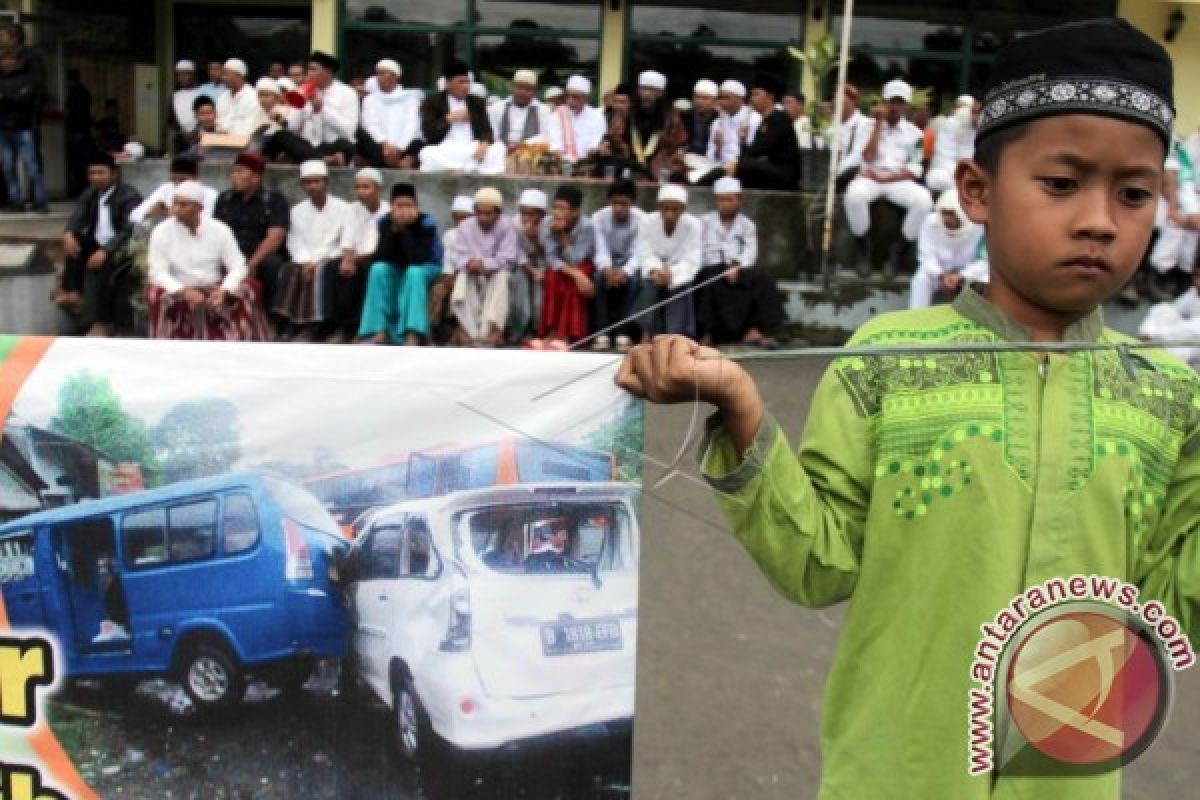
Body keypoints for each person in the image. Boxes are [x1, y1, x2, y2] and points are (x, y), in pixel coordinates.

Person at [616, 18, 1200, 800]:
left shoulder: (1169, 394)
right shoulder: (888, 356)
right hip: (895, 774)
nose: (1100, 218)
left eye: (1132, 194)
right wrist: (741, 408)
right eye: (1061, 183)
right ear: (976, 191)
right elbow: (817, 563)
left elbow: (1171, 606)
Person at [145, 180, 268, 341]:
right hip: (179, 289)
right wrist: (183, 291)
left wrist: (225, 290)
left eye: (184, 205)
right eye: (175, 204)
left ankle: (240, 338)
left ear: (199, 208)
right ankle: (168, 340)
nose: (177, 209)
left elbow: (238, 266)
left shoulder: (219, 229)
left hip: (214, 288)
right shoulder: (161, 231)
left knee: (249, 287)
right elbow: (157, 271)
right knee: (155, 292)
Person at [843, 78, 933, 276]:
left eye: (900, 102)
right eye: (892, 101)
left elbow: (915, 169)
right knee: (854, 195)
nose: (895, 106)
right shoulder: (865, 126)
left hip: (897, 180)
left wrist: (887, 179)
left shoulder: (915, 134)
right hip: (870, 177)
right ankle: (863, 250)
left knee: (924, 200)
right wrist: (877, 125)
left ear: (906, 106)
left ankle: (897, 253)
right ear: (884, 102)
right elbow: (866, 156)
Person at [56, 152, 142, 334]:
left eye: (101, 172)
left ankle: (103, 321)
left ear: (114, 174)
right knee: (75, 242)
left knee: (108, 269)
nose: (95, 177)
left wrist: (106, 250)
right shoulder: (91, 194)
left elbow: (129, 230)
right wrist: (68, 233)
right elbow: (77, 216)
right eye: (92, 173)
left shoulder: (129, 195)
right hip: (98, 243)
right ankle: (73, 291)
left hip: (122, 247)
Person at [695, 176, 783, 347]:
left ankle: (756, 330)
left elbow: (750, 252)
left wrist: (736, 268)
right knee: (708, 279)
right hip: (712, 266)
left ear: (740, 200)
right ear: (715, 201)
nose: (726, 204)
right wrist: (722, 268)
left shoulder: (747, 225)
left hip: (739, 268)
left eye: (730, 199)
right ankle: (708, 333)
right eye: (721, 200)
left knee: (763, 279)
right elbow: (698, 251)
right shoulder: (703, 222)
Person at [273, 160, 352, 340]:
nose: (313, 186)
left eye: (317, 181)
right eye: (308, 182)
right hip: (304, 258)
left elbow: (345, 241)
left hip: (331, 257)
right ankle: (290, 323)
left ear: (326, 183)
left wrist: (317, 261)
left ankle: (313, 325)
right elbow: (294, 241)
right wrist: (305, 260)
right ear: (302, 185)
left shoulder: (345, 209)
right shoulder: (297, 211)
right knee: (289, 270)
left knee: (320, 272)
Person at [358, 182, 443, 345]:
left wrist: (405, 230)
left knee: (414, 272)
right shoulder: (385, 222)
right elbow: (382, 255)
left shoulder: (427, 223)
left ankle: (413, 332)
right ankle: (379, 330)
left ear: (416, 206)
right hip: (397, 266)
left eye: (408, 205)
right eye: (399, 205)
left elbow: (418, 258)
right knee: (377, 269)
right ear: (392, 206)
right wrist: (395, 228)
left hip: (427, 267)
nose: (403, 209)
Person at [213, 152, 289, 325]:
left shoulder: (274, 200)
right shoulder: (224, 199)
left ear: (255, 177)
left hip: (258, 256)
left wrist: (251, 264)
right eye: (233, 172)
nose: (234, 176)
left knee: (273, 264)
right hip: (230, 253)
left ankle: (271, 320)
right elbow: (216, 232)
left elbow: (275, 238)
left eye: (240, 172)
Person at [320, 167, 388, 343]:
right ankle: (337, 325)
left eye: (366, 187)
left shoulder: (387, 212)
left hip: (377, 258)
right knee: (333, 268)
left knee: (367, 270)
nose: (360, 192)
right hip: (354, 257)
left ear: (378, 189)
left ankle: (360, 326)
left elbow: (380, 248)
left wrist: (353, 260)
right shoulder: (352, 209)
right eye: (358, 187)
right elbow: (347, 238)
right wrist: (347, 259)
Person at [629, 183, 701, 340]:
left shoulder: (693, 225)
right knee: (649, 284)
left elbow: (693, 259)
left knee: (681, 286)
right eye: (665, 209)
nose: (669, 214)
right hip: (655, 270)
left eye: (675, 209)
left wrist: (672, 275)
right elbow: (644, 251)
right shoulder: (647, 221)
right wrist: (656, 270)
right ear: (659, 207)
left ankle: (674, 336)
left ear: (683, 209)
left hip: (679, 272)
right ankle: (646, 333)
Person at [263, 51, 358, 166]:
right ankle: (323, 160)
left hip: (334, 145)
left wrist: (321, 110)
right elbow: (293, 127)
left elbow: (349, 131)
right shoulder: (303, 90)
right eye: (308, 69)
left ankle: (316, 159)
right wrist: (282, 120)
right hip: (310, 146)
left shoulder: (348, 93)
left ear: (328, 71)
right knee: (280, 136)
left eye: (313, 69)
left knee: (346, 145)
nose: (309, 73)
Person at [451, 187, 517, 347]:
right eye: (479, 213)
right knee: (462, 277)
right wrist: (469, 263)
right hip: (472, 270)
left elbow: (508, 258)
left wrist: (485, 264)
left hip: (496, 271)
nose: (483, 217)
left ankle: (494, 330)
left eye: (488, 214)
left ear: (498, 213)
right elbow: (458, 256)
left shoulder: (507, 226)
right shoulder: (465, 226)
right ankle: (467, 330)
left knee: (502, 277)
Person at [417, 60, 504, 174]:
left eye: (467, 82)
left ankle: (464, 166)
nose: (466, 86)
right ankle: (471, 166)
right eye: (461, 82)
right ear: (448, 83)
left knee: (499, 148)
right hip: (446, 148)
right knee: (427, 153)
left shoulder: (476, 102)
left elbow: (486, 130)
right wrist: (449, 118)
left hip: (472, 147)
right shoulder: (432, 102)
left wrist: (484, 144)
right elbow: (428, 132)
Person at [908, 189, 988, 309]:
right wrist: (941, 275)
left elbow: (984, 260)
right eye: (945, 213)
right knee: (921, 278)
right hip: (939, 272)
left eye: (952, 213)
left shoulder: (980, 226)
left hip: (969, 273)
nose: (948, 219)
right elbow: (926, 256)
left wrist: (962, 276)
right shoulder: (930, 222)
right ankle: (914, 318)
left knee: (986, 279)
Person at [591, 179, 646, 353]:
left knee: (635, 281)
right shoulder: (599, 217)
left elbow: (639, 251)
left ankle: (624, 333)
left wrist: (625, 271)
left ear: (632, 203)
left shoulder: (642, 219)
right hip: (608, 264)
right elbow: (600, 248)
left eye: (624, 204)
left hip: (630, 264)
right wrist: (607, 269)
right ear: (609, 202)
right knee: (598, 278)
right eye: (615, 203)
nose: (619, 208)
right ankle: (602, 332)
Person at [538, 186, 596, 346]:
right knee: (552, 276)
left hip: (582, 263)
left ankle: (567, 333)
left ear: (575, 212)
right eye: (555, 207)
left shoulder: (587, 226)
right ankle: (551, 330)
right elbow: (550, 258)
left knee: (572, 281)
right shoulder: (546, 223)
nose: (556, 213)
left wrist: (563, 236)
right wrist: (575, 274)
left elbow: (577, 259)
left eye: (562, 208)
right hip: (560, 266)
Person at [729, 75, 800, 191]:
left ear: (770, 97)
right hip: (770, 170)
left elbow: (763, 147)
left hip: (784, 174)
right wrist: (743, 140)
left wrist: (739, 161)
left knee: (741, 165)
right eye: (751, 95)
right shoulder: (763, 122)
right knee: (739, 165)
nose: (752, 99)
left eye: (756, 94)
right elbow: (750, 154)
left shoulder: (780, 118)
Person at [0, 48, 48, 213]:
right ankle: (15, 201)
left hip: (23, 127)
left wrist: (7, 98)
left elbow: (28, 99)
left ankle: (41, 200)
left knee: (32, 166)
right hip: (4, 129)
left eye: (10, 59)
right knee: (8, 167)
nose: (7, 63)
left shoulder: (28, 79)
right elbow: (20, 99)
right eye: (4, 59)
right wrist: (16, 97)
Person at [358, 59, 423, 168]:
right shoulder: (370, 99)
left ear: (395, 77)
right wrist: (385, 144)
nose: (379, 78)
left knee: (418, 141)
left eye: (383, 74)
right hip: (380, 146)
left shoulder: (410, 99)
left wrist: (399, 147)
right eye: (378, 74)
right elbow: (370, 124)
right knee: (361, 135)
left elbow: (411, 125)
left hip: (404, 146)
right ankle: (396, 163)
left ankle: (397, 161)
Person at [432, 195, 475, 343]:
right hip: (451, 275)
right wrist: (448, 276)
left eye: (465, 218)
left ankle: (462, 329)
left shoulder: (478, 234)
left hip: (470, 277)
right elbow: (447, 261)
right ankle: (432, 333)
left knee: (461, 287)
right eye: (458, 218)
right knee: (438, 290)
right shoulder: (450, 235)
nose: (461, 222)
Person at [509, 188, 549, 345]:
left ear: (541, 214)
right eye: (524, 213)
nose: (527, 217)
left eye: (532, 214)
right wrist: (531, 270)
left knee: (540, 296)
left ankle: (538, 330)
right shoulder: (514, 223)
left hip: (543, 265)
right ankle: (519, 329)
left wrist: (533, 238)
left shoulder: (547, 225)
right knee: (520, 285)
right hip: (522, 266)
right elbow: (516, 252)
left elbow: (548, 253)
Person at [1138, 269, 1200, 369]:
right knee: (1163, 309)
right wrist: (1150, 332)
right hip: (1173, 338)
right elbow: (1170, 311)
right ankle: (1149, 341)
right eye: (1197, 276)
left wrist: (1157, 335)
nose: (1198, 281)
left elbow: (1190, 330)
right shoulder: (1193, 292)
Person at [129, 156, 216, 227]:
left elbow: (207, 224)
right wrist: (149, 213)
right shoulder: (166, 188)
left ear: (196, 177)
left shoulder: (209, 194)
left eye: (183, 180)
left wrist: (173, 214)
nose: (177, 184)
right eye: (173, 180)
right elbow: (133, 216)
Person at [926, 94, 980, 195]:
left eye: (980, 112)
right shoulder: (952, 124)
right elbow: (943, 159)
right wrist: (967, 176)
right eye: (974, 112)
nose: (975, 117)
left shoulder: (992, 129)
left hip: (981, 179)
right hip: (954, 175)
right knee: (935, 178)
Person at [489, 69, 551, 155]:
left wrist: (523, 146)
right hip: (500, 154)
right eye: (519, 87)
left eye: (528, 89)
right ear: (512, 86)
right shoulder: (496, 108)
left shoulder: (543, 111)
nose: (522, 92)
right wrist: (504, 148)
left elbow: (545, 137)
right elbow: (492, 135)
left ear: (535, 91)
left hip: (531, 156)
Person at [548, 75, 606, 164]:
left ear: (586, 98)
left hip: (588, 165)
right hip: (561, 165)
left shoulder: (597, 117)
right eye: (568, 96)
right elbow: (554, 143)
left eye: (575, 97)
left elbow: (595, 144)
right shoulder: (557, 114)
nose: (570, 100)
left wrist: (592, 153)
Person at [707, 80, 760, 173]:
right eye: (721, 98)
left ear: (740, 99)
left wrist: (744, 141)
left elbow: (756, 155)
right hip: (719, 170)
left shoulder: (754, 119)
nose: (722, 102)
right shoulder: (717, 122)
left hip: (744, 171)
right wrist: (718, 148)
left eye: (726, 98)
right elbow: (711, 158)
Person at [215, 58, 264, 137]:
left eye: (226, 74)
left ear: (239, 75)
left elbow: (252, 126)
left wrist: (230, 135)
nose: (223, 78)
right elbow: (218, 122)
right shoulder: (222, 98)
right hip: (221, 142)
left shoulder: (254, 97)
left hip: (245, 144)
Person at [64, 68, 93, 197]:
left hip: (78, 131)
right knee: (81, 161)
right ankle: (82, 187)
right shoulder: (83, 92)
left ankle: (80, 188)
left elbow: (76, 113)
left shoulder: (76, 93)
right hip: (83, 130)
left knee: (78, 163)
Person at [169, 60, 200, 154]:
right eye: (179, 75)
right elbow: (171, 119)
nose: (182, 78)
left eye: (185, 74)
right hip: (181, 140)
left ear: (192, 75)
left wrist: (195, 132)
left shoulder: (201, 92)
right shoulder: (175, 96)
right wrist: (182, 132)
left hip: (199, 137)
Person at [179, 95, 219, 159]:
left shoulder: (224, 133)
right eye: (202, 114)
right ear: (196, 116)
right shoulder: (190, 137)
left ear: (216, 113)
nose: (207, 117)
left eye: (210, 113)